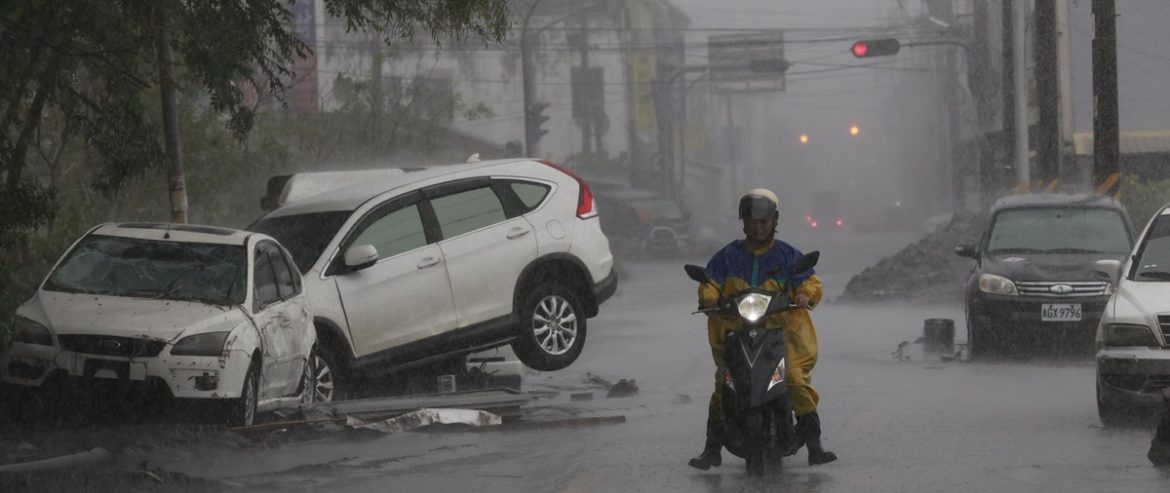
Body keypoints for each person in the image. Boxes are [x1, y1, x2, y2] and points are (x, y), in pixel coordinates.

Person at [688, 188, 838, 470]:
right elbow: (710, 282)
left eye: (762, 221)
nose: (756, 226)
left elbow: (810, 281)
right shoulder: (728, 256)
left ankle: (814, 445)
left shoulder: (788, 256)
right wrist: (709, 296)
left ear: (774, 221)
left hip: (783, 337)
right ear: (743, 223)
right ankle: (712, 449)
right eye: (750, 221)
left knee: (794, 380)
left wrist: (804, 294)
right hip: (737, 334)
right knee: (724, 384)